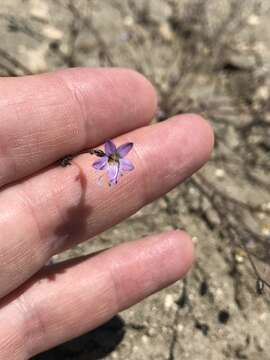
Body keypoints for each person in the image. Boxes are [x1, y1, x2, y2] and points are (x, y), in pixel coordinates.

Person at [0, 67, 214, 358]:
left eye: (115, 158)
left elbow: (111, 163)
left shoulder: (113, 162)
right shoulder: (107, 160)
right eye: (113, 158)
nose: (114, 160)